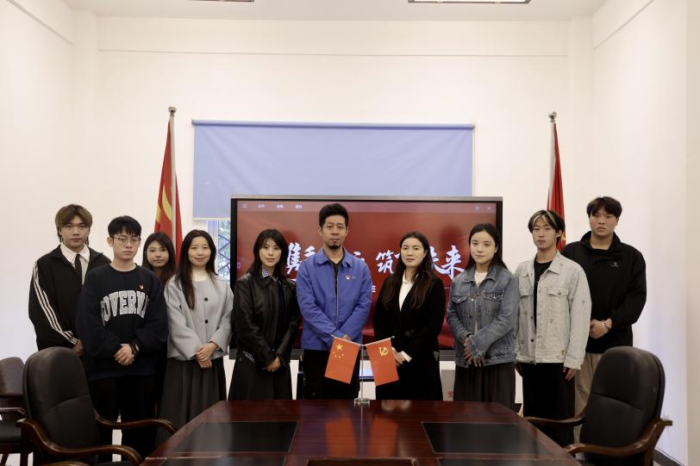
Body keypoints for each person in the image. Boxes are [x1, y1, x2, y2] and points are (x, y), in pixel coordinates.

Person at [76, 216, 168, 458]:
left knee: (140, 435)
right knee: (100, 434)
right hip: (103, 370)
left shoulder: (150, 279)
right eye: (122, 239)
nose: (128, 245)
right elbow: (87, 323)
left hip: (141, 369)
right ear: (110, 241)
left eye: (134, 240)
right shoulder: (96, 278)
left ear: (139, 243)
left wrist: (134, 347)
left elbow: (159, 324)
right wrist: (117, 348)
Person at [562, 196, 647, 425]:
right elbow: (560, 296)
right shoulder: (570, 253)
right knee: (579, 405)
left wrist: (608, 324)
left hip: (615, 345)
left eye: (608, 216)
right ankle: (579, 447)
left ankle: (609, 447)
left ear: (617, 220)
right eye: (596, 215)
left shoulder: (631, 257)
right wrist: (580, 326)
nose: (601, 221)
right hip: (577, 346)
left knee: (614, 404)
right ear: (589, 218)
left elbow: (636, 299)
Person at [514, 210, 591, 447]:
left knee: (560, 425)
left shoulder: (572, 271)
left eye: (547, 228)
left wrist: (574, 358)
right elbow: (515, 316)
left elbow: (580, 316)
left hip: (559, 361)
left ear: (558, 233)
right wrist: (517, 353)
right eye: (536, 229)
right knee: (533, 425)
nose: (541, 234)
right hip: (529, 360)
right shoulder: (522, 271)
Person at [159, 230, 232, 435]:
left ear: (212, 251)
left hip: (212, 362)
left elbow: (229, 319)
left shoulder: (222, 284)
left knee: (211, 421)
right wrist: (198, 351)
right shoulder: (174, 284)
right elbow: (174, 322)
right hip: (184, 362)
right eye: (194, 248)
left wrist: (212, 346)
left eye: (205, 247)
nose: (200, 252)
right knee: (180, 419)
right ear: (186, 252)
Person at [296, 203, 372, 399]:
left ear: (347, 231)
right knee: (315, 407)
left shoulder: (360, 268)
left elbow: (363, 306)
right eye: (330, 226)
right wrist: (336, 337)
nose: (335, 231)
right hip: (316, 347)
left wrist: (343, 339)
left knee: (345, 407)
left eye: (340, 227)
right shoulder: (306, 268)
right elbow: (308, 307)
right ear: (320, 230)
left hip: (348, 346)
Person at [446, 224, 518, 408]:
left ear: (496, 248)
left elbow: (507, 318)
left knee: (497, 419)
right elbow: (452, 315)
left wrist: (477, 344)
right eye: (475, 243)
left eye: (486, 244)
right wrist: (467, 339)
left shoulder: (507, 279)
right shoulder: (459, 281)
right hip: (466, 361)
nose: (479, 249)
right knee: (465, 417)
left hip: (497, 360)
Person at [229, 229, 301, 400]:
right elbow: (245, 325)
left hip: (280, 365)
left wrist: (279, 356)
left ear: (283, 252)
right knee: (250, 415)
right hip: (251, 363)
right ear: (257, 250)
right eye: (265, 247)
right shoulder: (244, 284)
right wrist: (267, 358)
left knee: (281, 415)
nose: (270, 253)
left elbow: (293, 324)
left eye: (276, 248)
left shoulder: (289, 286)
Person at [373, 231, 445, 400]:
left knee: (420, 411)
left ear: (425, 253)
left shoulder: (434, 284)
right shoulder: (390, 281)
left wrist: (405, 355)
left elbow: (433, 326)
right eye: (405, 248)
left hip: (420, 358)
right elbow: (378, 320)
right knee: (386, 411)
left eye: (415, 248)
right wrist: (389, 351)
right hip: (387, 358)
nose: (409, 253)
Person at [29, 204, 110, 352]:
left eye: (82, 226)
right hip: (59, 353)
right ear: (59, 230)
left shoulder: (104, 263)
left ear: (89, 230)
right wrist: (71, 343)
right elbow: (41, 312)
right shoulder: (45, 265)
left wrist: (100, 341)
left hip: (99, 352)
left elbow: (111, 308)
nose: (76, 232)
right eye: (69, 226)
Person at [142, 232, 178, 415]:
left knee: (169, 397)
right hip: (146, 348)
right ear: (145, 253)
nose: (157, 255)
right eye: (152, 250)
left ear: (170, 252)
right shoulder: (138, 278)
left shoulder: (179, 281)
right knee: (147, 397)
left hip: (173, 346)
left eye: (162, 250)